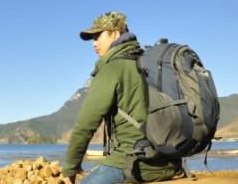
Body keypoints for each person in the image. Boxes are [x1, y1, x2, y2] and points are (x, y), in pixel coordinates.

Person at [63, 11, 181, 184]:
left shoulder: (113, 68)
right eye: (92, 38)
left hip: (134, 161)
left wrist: (70, 167)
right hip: (169, 160)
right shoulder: (145, 62)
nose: (94, 43)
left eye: (98, 36)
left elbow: (85, 124)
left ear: (116, 34)